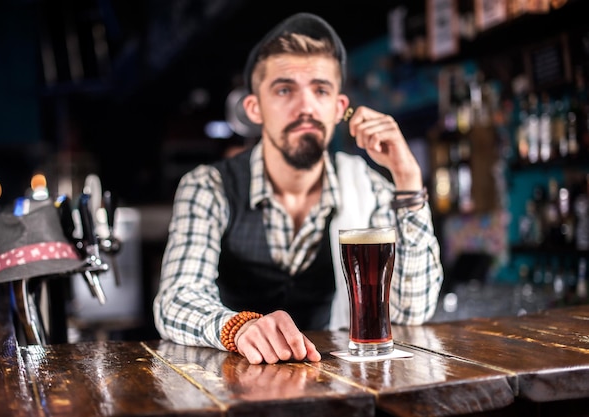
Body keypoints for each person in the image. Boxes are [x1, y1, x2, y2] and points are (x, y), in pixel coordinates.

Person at [153, 12, 443, 365]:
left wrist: (408, 178)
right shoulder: (208, 186)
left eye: (320, 90)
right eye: (284, 89)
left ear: (338, 108)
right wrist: (238, 328)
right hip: (231, 390)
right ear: (254, 108)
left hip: (337, 388)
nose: (306, 107)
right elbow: (175, 299)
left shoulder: (368, 187)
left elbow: (411, 312)